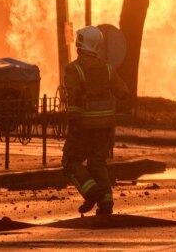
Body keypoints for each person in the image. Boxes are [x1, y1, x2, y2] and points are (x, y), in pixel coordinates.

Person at [63, 24, 131, 216]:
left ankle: (91, 192)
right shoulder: (108, 68)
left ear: (80, 43)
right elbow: (123, 92)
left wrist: (73, 122)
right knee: (97, 163)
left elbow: (73, 97)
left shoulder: (74, 69)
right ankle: (106, 202)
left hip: (83, 126)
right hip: (105, 128)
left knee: (70, 161)